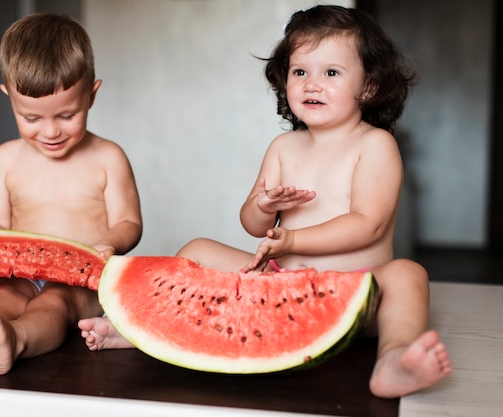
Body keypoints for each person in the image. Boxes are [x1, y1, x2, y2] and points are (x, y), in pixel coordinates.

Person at [79, 5, 451, 398]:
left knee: (408, 276)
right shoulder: (283, 147)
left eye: (331, 73)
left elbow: (368, 223)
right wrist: (261, 207)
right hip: (277, 283)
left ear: (369, 86)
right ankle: (139, 329)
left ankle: (394, 359)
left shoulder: (375, 144)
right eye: (300, 71)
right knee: (196, 249)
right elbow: (253, 225)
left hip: (359, 291)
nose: (311, 84)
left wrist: (292, 241)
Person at [0, 12, 142, 376]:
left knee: (55, 303)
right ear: (9, 97)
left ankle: (14, 339)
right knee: (3, 297)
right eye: (31, 118)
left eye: (67, 115)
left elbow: (129, 222)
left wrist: (107, 244)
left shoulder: (108, 158)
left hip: (81, 280)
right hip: (20, 272)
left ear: (91, 95)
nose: (50, 131)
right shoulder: (4, 159)